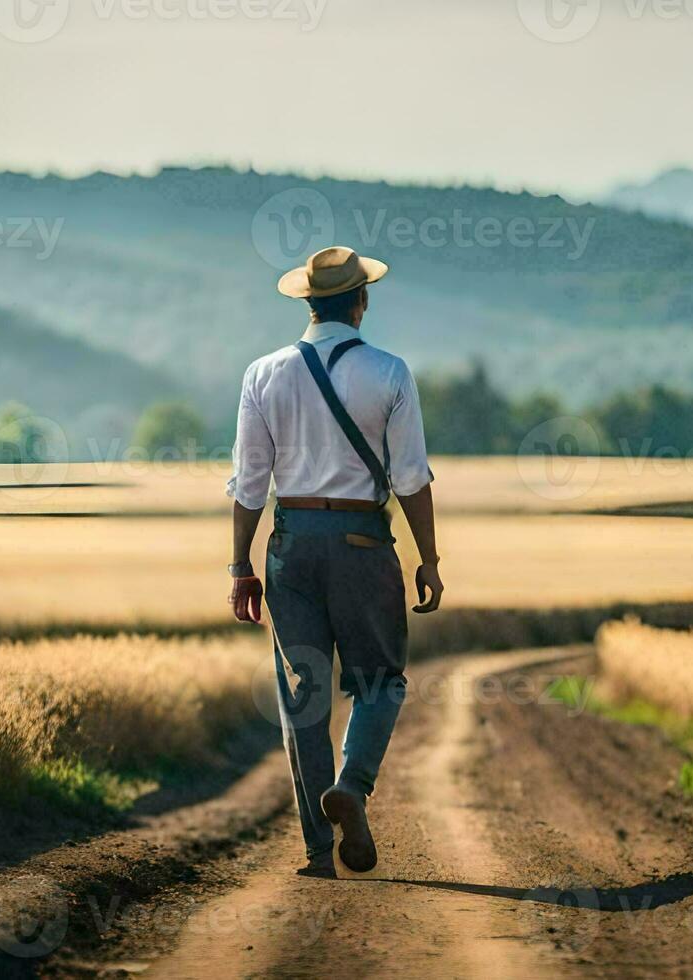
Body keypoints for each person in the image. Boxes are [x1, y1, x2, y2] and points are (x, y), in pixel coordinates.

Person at [227, 245, 444, 878]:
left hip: (290, 542)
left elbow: (249, 483)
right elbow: (411, 480)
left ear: (305, 301)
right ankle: (353, 783)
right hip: (362, 544)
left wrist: (239, 565)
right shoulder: (390, 373)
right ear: (362, 301)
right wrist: (428, 559)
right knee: (381, 680)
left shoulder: (262, 374)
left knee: (304, 696)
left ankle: (319, 852)